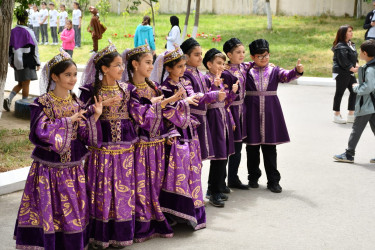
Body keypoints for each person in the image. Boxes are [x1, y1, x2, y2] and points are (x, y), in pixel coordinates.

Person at [79, 41, 177, 248]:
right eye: (116, 65)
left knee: (123, 191)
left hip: (125, 150)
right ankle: (101, 235)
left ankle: (123, 234)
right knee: (103, 192)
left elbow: (139, 114)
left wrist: (159, 103)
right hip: (101, 151)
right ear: (104, 69)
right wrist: (97, 110)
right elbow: (79, 119)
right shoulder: (89, 91)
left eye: (121, 65)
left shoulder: (128, 89)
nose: (121, 69)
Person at [13, 48, 103, 250]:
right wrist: (67, 121)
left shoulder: (76, 102)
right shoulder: (43, 103)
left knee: (72, 207)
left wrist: (95, 116)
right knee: (50, 207)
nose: (72, 79)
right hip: (49, 168)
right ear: (55, 76)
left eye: (74, 75)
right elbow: (40, 132)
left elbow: (83, 135)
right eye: (67, 75)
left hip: (72, 167)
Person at [123, 45, 189, 241]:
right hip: (139, 147)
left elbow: (167, 115)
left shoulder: (153, 87)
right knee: (140, 186)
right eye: (148, 62)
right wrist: (162, 103)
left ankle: (155, 218)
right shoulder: (128, 89)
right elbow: (138, 115)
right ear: (135, 64)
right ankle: (141, 224)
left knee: (155, 185)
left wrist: (171, 128)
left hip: (157, 145)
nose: (152, 66)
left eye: (152, 62)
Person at [153, 46, 206, 229]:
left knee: (193, 170)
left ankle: (193, 211)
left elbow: (194, 99)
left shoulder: (186, 83)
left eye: (184, 65)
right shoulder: (164, 88)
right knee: (177, 174)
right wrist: (184, 102)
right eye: (179, 66)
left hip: (190, 133)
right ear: (168, 68)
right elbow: (164, 111)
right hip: (176, 135)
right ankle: (175, 213)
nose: (183, 69)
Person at [243, 39, 304, 193]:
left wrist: (297, 70)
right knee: (252, 147)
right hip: (251, 111)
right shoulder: (247, 71)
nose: (264, 59)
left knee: (270, 148)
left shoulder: (274, 70)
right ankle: (253, 177)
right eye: (260, 56)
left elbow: (287, 76)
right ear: (252, 57)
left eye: (266, 55)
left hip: (270, 112)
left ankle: (273, 180)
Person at [180, 38, 226, 163]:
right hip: (192, 119)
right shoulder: (184, 75)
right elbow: (193, 96)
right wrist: (215, 94)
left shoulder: (200, 74)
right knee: (192, 158)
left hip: (202, 118)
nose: (200, 58)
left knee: (199, 159)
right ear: (186, 56)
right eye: (196, 54)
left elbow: (207, 95)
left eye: (201, 54)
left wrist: (215, 87)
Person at [203, 48, 239, 207]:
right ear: (209, 64)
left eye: (223, 63)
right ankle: (214, 191)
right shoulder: (205, 79)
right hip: (213, 119)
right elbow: (206, 99)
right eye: (218, 63)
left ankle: (214, 188)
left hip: (223, 117)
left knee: (222, 155)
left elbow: (226, 103)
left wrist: (232, 93)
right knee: (217, 156)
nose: (221, 66)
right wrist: (213, 86)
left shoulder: (221, 79)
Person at [334, 39, 375, 163]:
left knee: (356, 129)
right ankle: (349, 153)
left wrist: (356, 87)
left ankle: (349, 154)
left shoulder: (370, 69)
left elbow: (369, 87)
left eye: (361, 52)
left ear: (365, 54)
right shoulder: (370, 67)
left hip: (367, 104)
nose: (359, 53)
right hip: (372, 104)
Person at [222, 38, 252, 190]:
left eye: (243, 52)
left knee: (238, 147)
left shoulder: (244, 67)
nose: (242, 55)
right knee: (228, 146)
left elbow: (253, 63)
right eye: (238, 52)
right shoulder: (225, 72)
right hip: (230, 110)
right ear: (229, 54)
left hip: (242, 110)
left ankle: (233, 178)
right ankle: (221, 181)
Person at [4, 10, 41, 112]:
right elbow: (35, 47)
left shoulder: (12, 31)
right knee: (26, 84)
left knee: (21, 83)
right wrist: (37, 62)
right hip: (27, 61)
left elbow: (9, 48)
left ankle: (9, 99)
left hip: (17, 61)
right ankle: (24, 105)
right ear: (26, 19)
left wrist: (10, 61)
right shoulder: (29, 31)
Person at [332, 25, 359, 124]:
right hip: (342, 72)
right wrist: (353, 69)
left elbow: (354, 57)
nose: (352, 33)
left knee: (354, 91)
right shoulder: (340, 46)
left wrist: (356, 64)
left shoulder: (351, 44)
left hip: (350, 72)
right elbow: (343, 61)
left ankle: (351, 115)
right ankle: (336, 115)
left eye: (352, 31)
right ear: (343, 33)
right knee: (339, 93)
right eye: (349, 31)